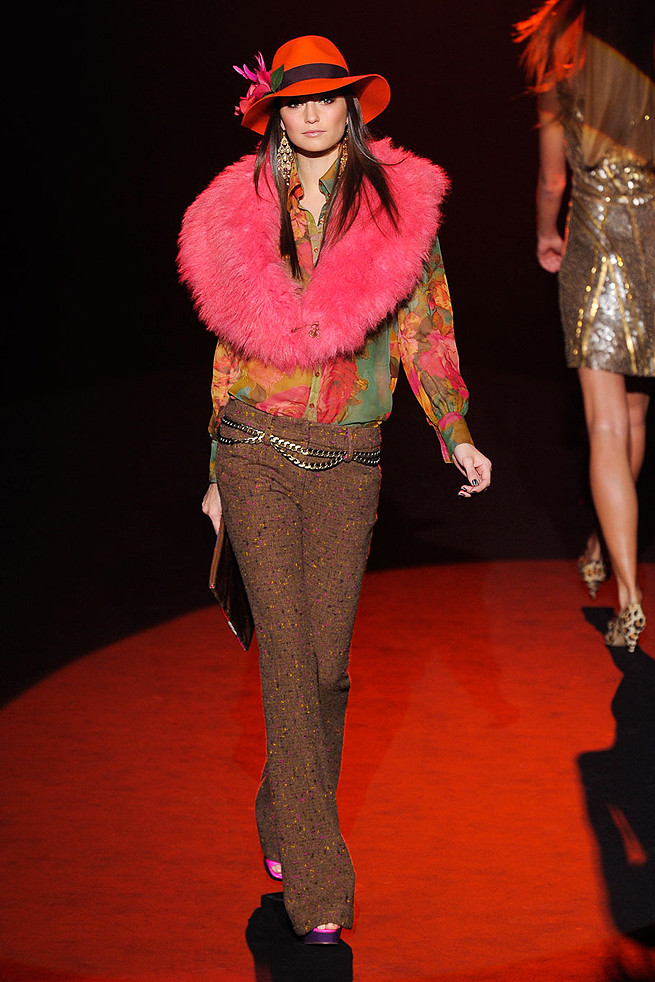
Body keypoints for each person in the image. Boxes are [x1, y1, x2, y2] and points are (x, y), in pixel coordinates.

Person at [178, 35, 492, 943]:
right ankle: (321, 891)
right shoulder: (242, 210)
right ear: (274, 115)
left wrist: (454, 431)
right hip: (256, 446)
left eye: (326, 97)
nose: (311, 113)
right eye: (295, 101)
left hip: (350, 458)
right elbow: (228, 342)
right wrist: (215, 471)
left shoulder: (397, 211)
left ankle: (282, 805)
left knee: (324, 669)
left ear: (350, 107)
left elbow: (427, 328)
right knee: (285, 655)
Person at [515, 0, 654, 653]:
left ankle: (628, 598)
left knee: (604, 425)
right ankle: (602, 542)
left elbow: (552, 179)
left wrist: (546, 232)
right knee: (634, 419)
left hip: (596, 244)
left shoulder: (561, 63)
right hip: (652, 244)